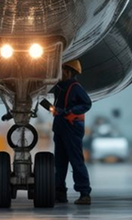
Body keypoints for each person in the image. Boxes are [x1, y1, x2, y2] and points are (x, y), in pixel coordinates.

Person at [49, 59, 92, 205]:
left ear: (68, 71)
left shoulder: (75, 87)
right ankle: (59, 192)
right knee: (60, 162)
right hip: (60, 127)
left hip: (71, 128)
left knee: (76, 160)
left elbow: (87, 103)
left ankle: (84, 193)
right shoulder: (59, 87)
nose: (59, 73)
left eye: (61, 70)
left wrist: (71, 111)